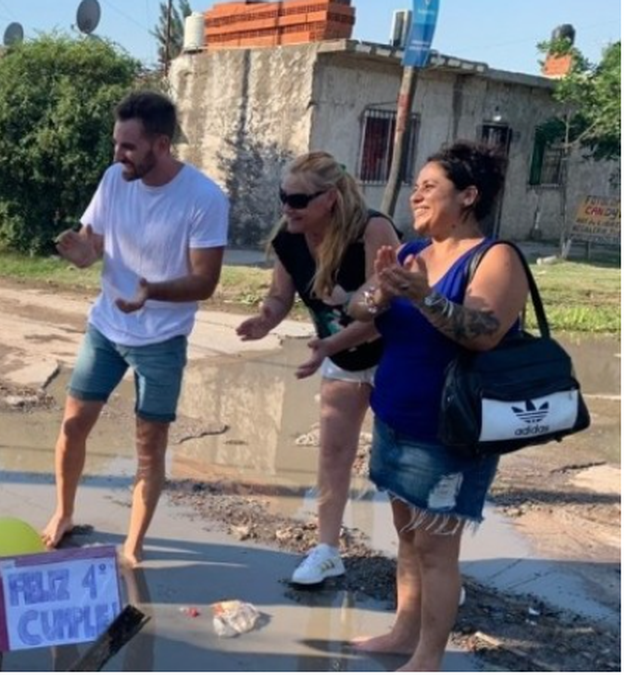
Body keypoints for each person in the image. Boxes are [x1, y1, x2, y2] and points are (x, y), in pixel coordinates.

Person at [346, 141, 526, 671]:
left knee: (435, 551)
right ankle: (403, 633)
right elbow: (355, 306)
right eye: (417, 186)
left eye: (430, 186)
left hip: (450, 434)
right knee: (407, 538)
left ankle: (428, 658)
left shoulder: (496, 257)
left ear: (468, 195)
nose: (416, 195)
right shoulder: (410, 254)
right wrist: (381, 292)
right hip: (396, 419)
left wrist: (424, 296)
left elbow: (482, 333)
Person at [40, 91, 229, 566]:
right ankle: (63, 512)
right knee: (73, 424)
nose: (117, 154)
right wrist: (75, 250)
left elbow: (205, 282)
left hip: (161, 340)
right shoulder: (113, 180)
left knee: (149, 448)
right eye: (116, 143)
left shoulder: (204, 198)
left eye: (128, 146)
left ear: (160, 145)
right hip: (105, 329)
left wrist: (153, 293)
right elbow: (92, 249)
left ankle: (133, 545)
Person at [236, 152, 399, 585]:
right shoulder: (289, 237)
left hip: (397, 354)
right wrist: (265, 317)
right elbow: (280, 295)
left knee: (399, 461)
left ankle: (425, 569)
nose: (287, 206)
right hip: (340, 355)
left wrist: (329, 345)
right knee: (333, 454)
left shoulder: (372, 230)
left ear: (329, 199)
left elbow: (381, 314)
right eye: (282, 196)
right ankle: (327, 550)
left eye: (297, 199)